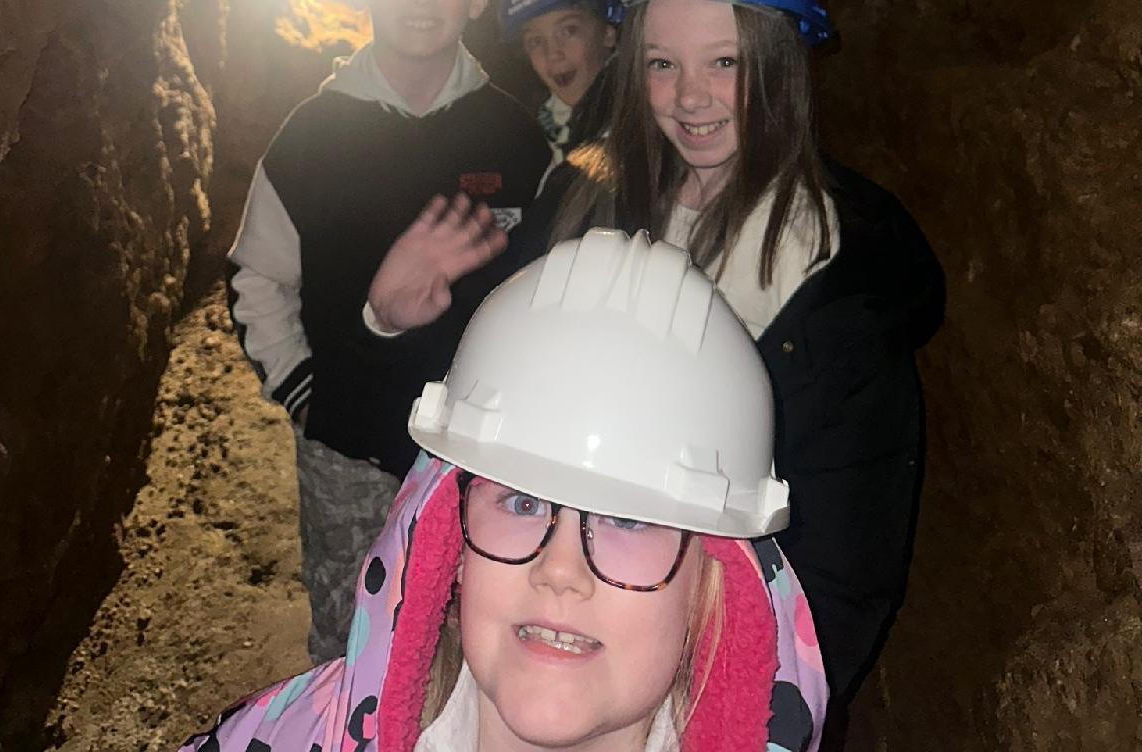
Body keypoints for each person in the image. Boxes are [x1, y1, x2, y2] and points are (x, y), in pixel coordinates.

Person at [372, 0, 943, 711]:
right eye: (663, 63)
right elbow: (485, 428)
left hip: (701, 678)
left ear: (782, 62)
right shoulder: (581, 202)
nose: (689, 97)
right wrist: (401, 327)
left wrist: (743, 715)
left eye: (725, 62)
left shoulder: (840, 280)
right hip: (545, 630)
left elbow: (844, 566)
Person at [179, 229, 829, 752]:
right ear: (448, 545)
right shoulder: (292, 735)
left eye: (627, 521)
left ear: (714, 588)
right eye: (523, 503)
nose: (560, 570)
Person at [227, 0, 553, 664]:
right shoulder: (312, 138)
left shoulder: (516, 140)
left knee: (472, 650)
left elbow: (548, 293)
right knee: (353, 653)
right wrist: (308, 398)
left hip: (478, 457)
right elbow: (257, 279)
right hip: (349, 456)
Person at [498, 0, 617, 148]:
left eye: (568, 30)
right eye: (535, 41)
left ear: (608, 32)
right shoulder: (539, 129)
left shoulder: (644, 121)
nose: (553, 53)